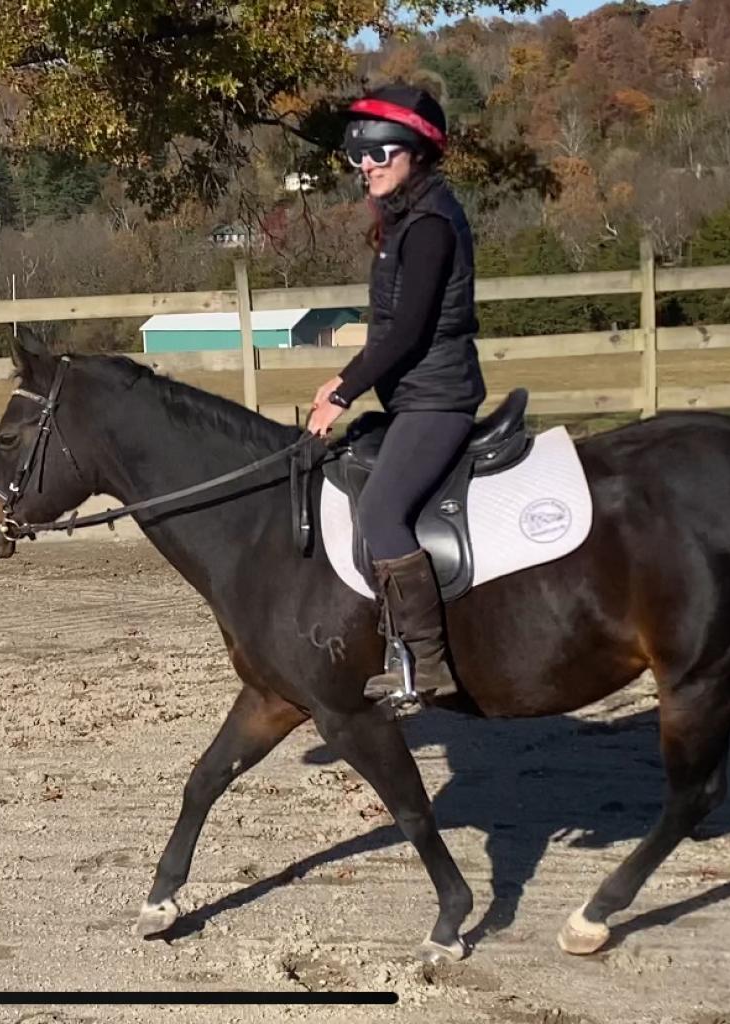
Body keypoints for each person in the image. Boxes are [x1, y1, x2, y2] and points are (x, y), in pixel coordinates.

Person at [306, 83, 486, 702]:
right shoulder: (405, 219)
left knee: (382, 511)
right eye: (359, 155)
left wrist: (345, 392)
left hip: (440, 397)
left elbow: (409, 330)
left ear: (416, 152)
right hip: (414, 395)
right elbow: (390, 329)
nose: (367, 165)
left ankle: (428, 662)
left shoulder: (430, 225)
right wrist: (344, 377)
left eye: (380, 153)